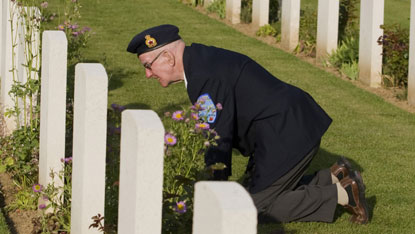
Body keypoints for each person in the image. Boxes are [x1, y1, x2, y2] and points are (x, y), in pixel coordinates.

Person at [127, 24, 369, 224]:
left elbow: (217, 137)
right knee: (243, 195)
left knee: (254, 209)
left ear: (167, 57)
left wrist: (215, 193)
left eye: (148, 66)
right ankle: (333, 176)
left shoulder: (203, 75)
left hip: (286, 131)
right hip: (280, 127)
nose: (148, 74)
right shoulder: (199, 61)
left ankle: (342, 193)